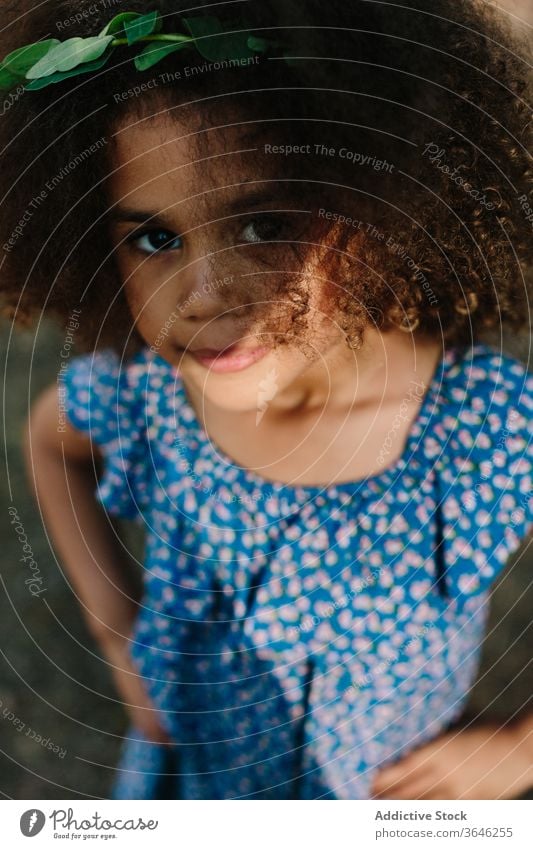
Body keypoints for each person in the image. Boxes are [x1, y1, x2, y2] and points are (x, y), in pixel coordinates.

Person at [2, 0, 532, 799]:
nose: (203, 296)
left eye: (263, 225)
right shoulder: (148, 394)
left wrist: (520, 750)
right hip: (195, 775)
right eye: (154, 237)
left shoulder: (485, 427)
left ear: (381, 202)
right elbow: (50, 444)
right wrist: (119, 633)